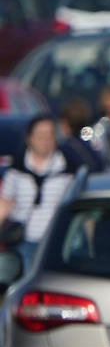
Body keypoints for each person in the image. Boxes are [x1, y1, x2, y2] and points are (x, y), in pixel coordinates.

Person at [0, 114, 75, 271]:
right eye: (40, 136)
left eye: (50, 135)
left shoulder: (67, 170)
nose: (45, 141)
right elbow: (5, 204)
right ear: (29, 139)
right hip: (22, 240)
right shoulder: (16, 170)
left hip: (55, 242)